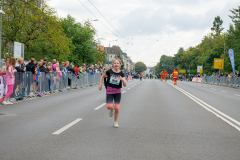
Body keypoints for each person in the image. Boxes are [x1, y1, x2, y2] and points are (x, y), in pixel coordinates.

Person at [98, 59, 126, 128]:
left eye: (117, 63)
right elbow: (102, 76)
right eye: (115, 63)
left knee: (117, 107)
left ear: (120, 65)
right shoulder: (109, 71)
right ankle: (111, 109)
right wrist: (100, 85)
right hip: (110, 90)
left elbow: (125, 85)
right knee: (109, 106)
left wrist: (122, 80)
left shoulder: (121, 73)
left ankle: (115, 121)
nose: (116, 64)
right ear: (113, 64)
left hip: (117, 91)